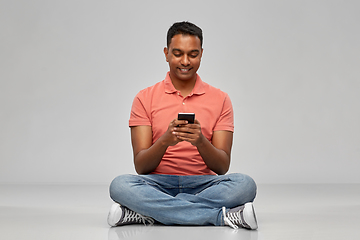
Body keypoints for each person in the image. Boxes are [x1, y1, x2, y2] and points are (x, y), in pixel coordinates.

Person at [107, 21, 258, 230]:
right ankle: (220, 217)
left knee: (245, 185)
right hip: (157, 185)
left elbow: (222, 167)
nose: (185, 61)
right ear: (166, 53)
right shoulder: (144, 98)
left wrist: (201, 142)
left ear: (202, 54)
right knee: (120, 185)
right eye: (178, 53)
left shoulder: (221, 99)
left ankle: (146, 213)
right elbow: (141, 166)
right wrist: (165, 141)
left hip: (204, 185)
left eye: (193, 54)